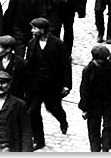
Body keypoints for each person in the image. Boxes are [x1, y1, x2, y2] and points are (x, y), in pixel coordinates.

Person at [23, 17, 72, 149]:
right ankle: (39, 140)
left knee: (53, 108)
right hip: (35, 85)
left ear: (43, 30)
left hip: (52, 85)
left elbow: (66, 66)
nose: (32, 31)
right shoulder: (32, 43)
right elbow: (28, 63)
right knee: (33, 112)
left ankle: (62, 120)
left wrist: (67, 85)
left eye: (35, 28)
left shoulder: (58, 44)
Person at [79, 44, 111, 152]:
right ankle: (95, 149)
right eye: (101, 60)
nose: (104, 61)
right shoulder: (88, 70)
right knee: (93, 129)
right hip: (93, 104)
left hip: (107, 101)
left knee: (109, 126)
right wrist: (85, 109)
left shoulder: (109, 66)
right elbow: (84, 90)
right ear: (95, 59)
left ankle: (106, 146)